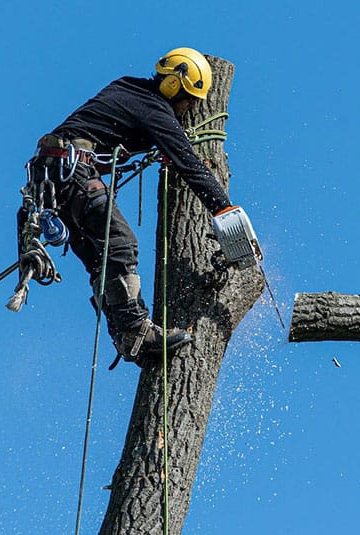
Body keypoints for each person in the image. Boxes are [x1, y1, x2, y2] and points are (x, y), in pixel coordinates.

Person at [20, 47, 238, 367]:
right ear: (173, 85)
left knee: (101, 261)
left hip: (52, 179)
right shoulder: (153, 106)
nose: (188, 108)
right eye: (189, 100)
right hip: (71, 173)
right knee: (121, 243)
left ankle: (126, 337)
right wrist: (225, 210)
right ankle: (136, 331)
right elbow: (189, 164)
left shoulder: (130, 89)